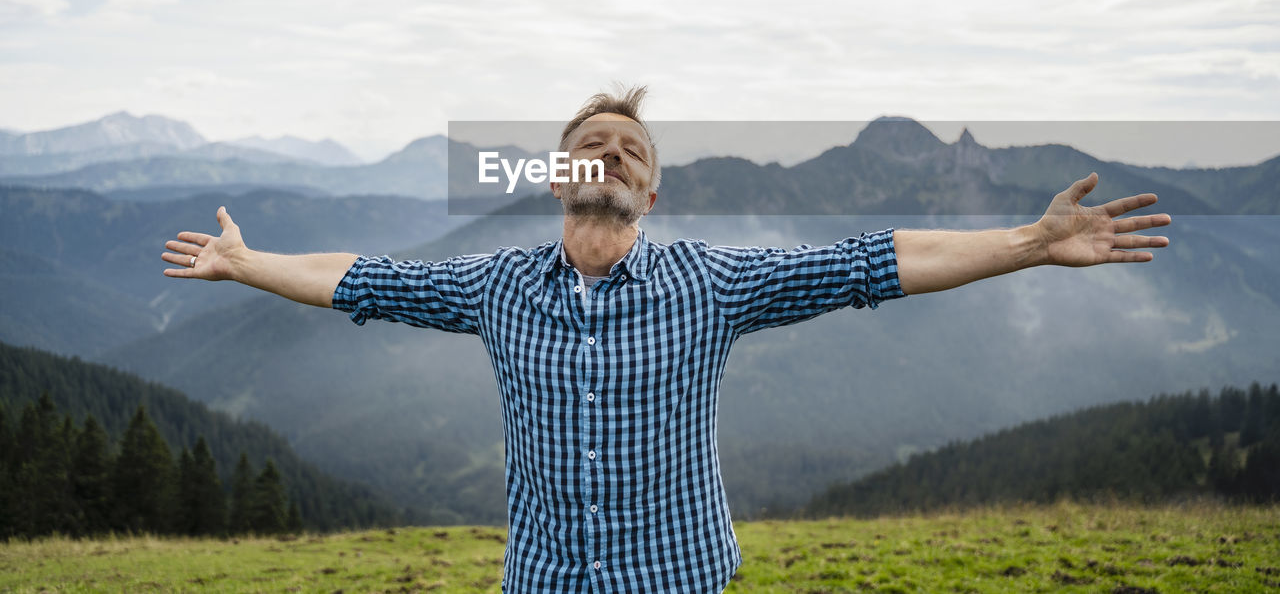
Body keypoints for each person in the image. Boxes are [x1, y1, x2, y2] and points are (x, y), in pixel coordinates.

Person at [162, 86, 1171, 593]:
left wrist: (1028, 245)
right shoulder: (498, 288)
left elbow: (877, 260)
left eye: (629, 150)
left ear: (653, 188)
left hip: (679, 577)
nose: (608, 157)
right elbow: (363, 281)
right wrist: (246, 262)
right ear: (558, 179)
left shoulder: (710, 282)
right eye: (588, 147)